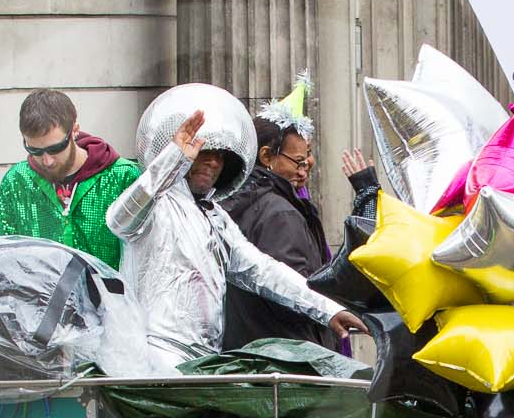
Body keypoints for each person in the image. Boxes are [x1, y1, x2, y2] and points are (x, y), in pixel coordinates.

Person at [106, 95, 362, 367]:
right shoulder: (157, 207)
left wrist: (328, 310)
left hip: (204, 362)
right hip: (154, 358)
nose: (213, 163)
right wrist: (172, 159)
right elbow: (120, 219)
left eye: (220, 156)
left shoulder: (215, 216)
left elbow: (263, 270)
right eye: (203, 152)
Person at [0, 88, 142, 267]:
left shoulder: (122, 177)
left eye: (55, 148)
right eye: (34, 151)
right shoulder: (16, 181)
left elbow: (145, 255)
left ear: (75, 130)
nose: (47, 161)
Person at [222, 110, 334, 349]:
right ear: (266, 156)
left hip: (248, 350)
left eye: (307, 160)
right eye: (298, 162)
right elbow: (292, 294)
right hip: (288, 354)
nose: (303, 171)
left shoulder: (229, 203)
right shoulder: (279, 213)